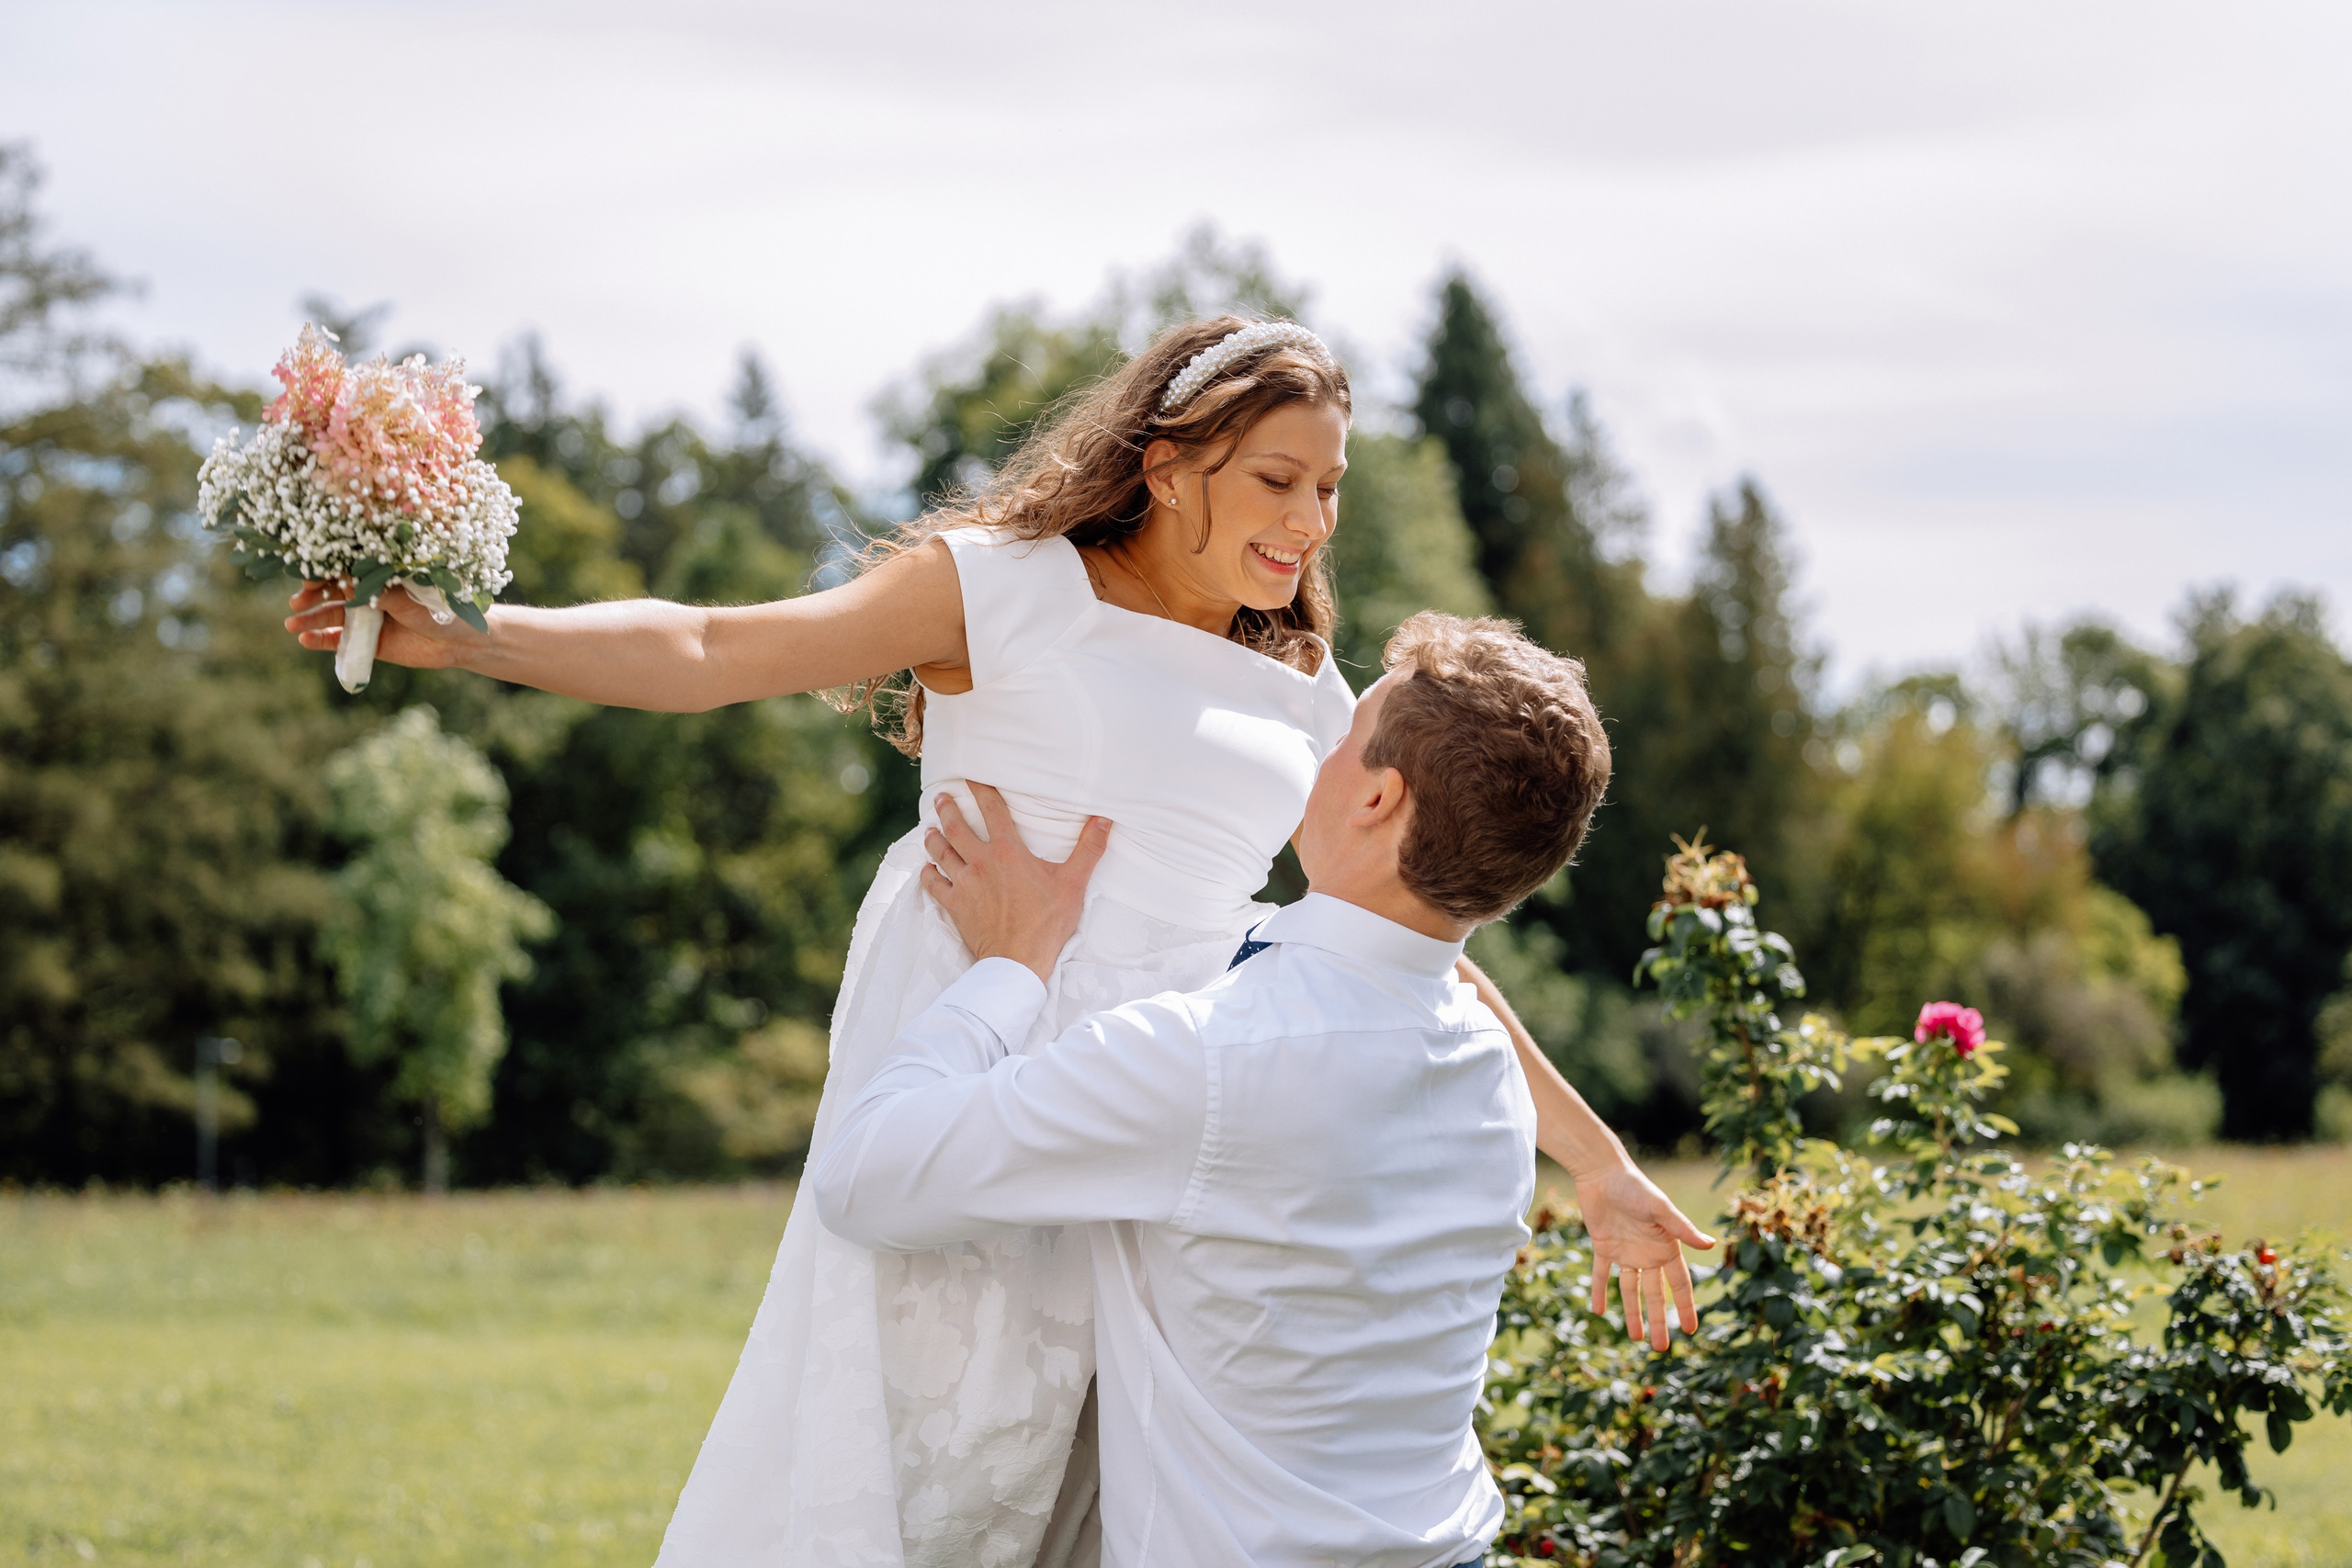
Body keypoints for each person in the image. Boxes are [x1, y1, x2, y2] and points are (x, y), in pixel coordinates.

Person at [279, 318, 1698, 1567]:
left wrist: (1598, 1162)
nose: (1312, 521)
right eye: (1279, 479)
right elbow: (717, 646)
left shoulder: (1303, 677)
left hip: (1173, 1118)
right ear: (1169, 464)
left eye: (1330, 486)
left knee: (1099, 1488)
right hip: (977, 1048)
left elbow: (1401, 929)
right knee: (936, 1473)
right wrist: (473, 636)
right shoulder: (1006, 586)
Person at [812, 613, 1715, 1567]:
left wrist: (1012, 965)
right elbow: (1427, 968)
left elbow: (863, 1177)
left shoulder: (1206, 1059)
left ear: (1377, 797)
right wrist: (1599, 1162)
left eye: (1345, 735)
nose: (1318, 755)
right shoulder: (1491, 1073)